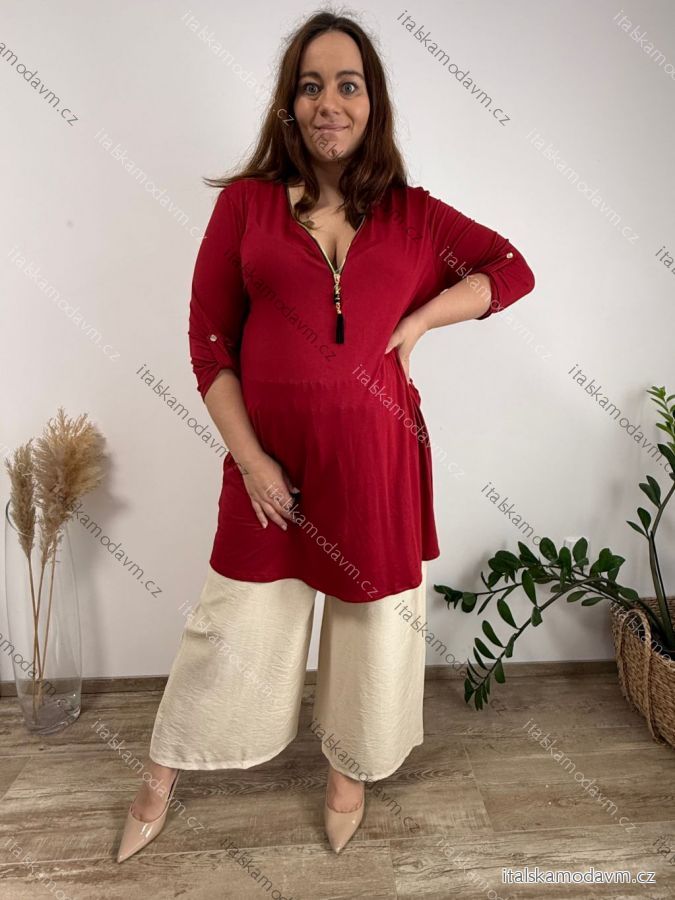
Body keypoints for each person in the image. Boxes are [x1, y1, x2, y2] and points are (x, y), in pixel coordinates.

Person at [117, 10, 535, 863]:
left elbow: (511, 269)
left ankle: (348, 776)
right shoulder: (245, 207)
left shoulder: (415, 217)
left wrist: (420, 319)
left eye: (348, 85)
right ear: (289, 103)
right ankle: (159, 776)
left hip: (375, 460)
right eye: (311, 87)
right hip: (269, 466)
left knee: (371, 625)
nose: (329, 103)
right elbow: (208, 345)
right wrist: (251, 461)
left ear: (371, 103)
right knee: (231, 625)